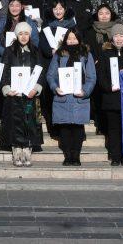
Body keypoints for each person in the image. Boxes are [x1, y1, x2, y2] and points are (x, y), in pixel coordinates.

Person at [47, 29, 96, 166]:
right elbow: (50, 75)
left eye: (74, 38)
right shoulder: (59, 54)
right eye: (69, 38)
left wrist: (85, 91)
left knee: (77, 128)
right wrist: (55, 88)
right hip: (63, 96)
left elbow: (92, 77)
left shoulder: (86, 54)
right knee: (65, 128)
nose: (72, 41)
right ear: (65, 40)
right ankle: (68, 156)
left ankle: (76, 156)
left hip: (79, 97)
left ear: (79, 39)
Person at [95, 23, 123, 166]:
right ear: (111, 37)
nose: (119, 39)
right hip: (111, 98)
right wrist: (109, 87)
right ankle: (115, 156)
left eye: (121, 35)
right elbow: (100, 75)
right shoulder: (105, 54)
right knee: (113, 129)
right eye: (116, 35)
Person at [0, 22, 43, 167]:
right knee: (15, 122)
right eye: (20, 34)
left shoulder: (35, 51)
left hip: (30, 94)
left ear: (30, 35)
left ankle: (27, 149)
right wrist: (7, 89)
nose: (23, 37)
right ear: (16, 35)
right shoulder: (9, 51)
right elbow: (5, 71)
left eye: (26, 34)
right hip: (14, 94)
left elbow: (40, 72)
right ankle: (16, 150)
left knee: (29, 121)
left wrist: (36, 89)